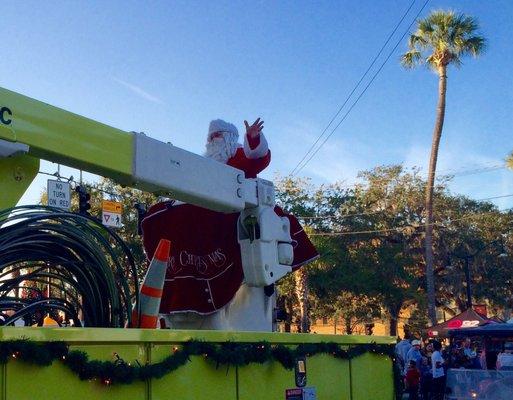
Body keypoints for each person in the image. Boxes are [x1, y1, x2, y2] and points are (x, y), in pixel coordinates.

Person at [142, 118, 318, 331]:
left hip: (227, 212)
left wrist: (253, 138)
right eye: (211, 137)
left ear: (228, 138)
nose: (213, 140)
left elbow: (258, 158)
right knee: (158, 217)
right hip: (197, 211)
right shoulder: (202, 164)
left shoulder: (237, 155)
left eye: (217, 136)